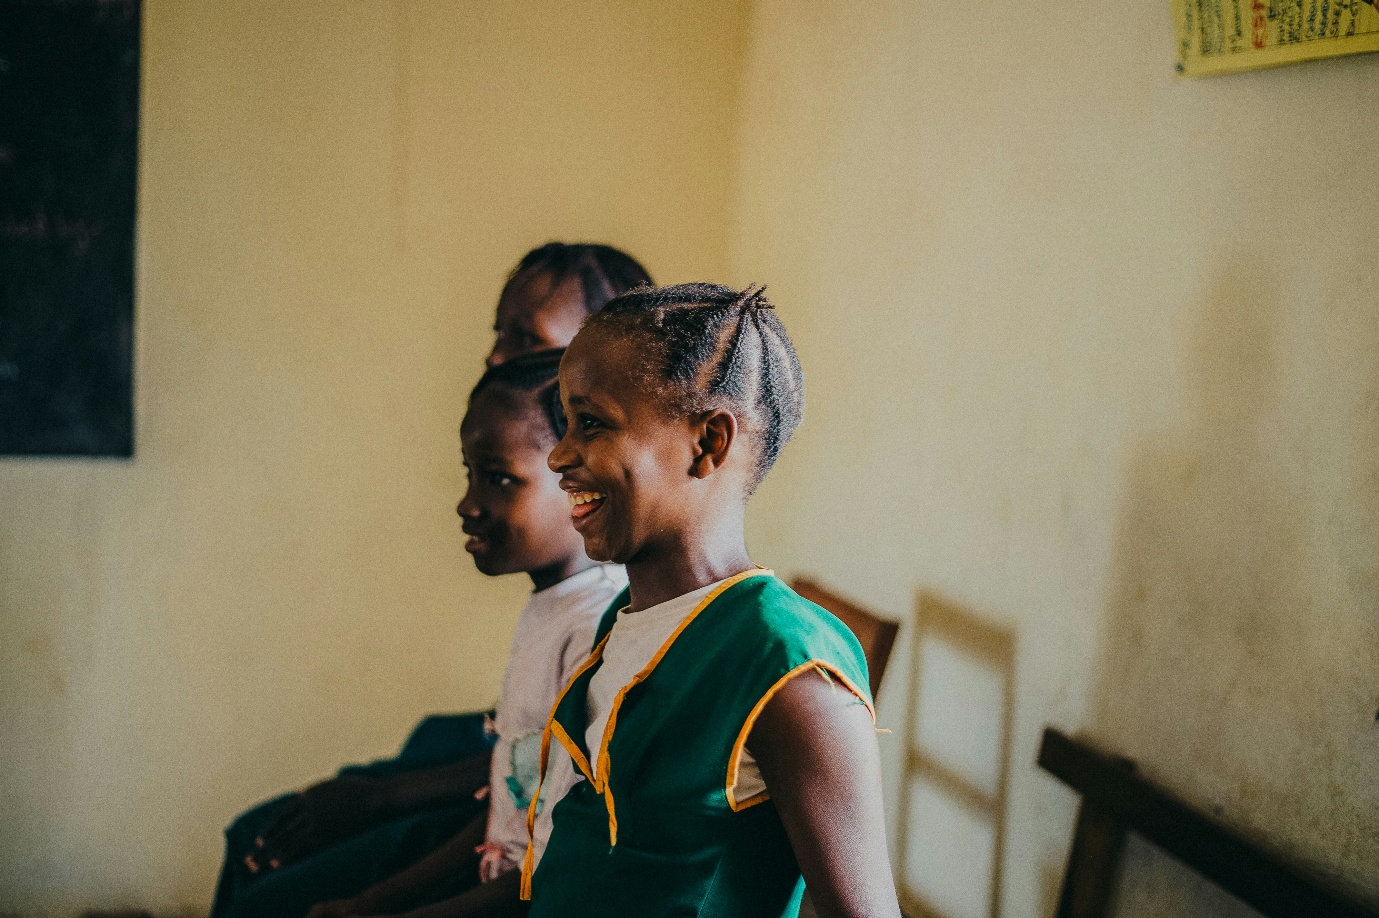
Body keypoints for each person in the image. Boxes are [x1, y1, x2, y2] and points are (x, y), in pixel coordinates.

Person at [209, 242, 649, 918]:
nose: (497, 359)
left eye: (526, 342)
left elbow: (543, 813)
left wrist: (379, 889)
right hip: (501, 819)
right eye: (498, 335)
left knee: (282, 856)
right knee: (371, 774)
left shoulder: (608, 602)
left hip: (508, 860)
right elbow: (520, 756)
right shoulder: (555, 591)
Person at [526, 283, 901, 918]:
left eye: (591, 423)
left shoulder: (784, 664)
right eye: (566, 422)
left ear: (709, 444)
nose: (560, 455)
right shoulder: (629, 621)